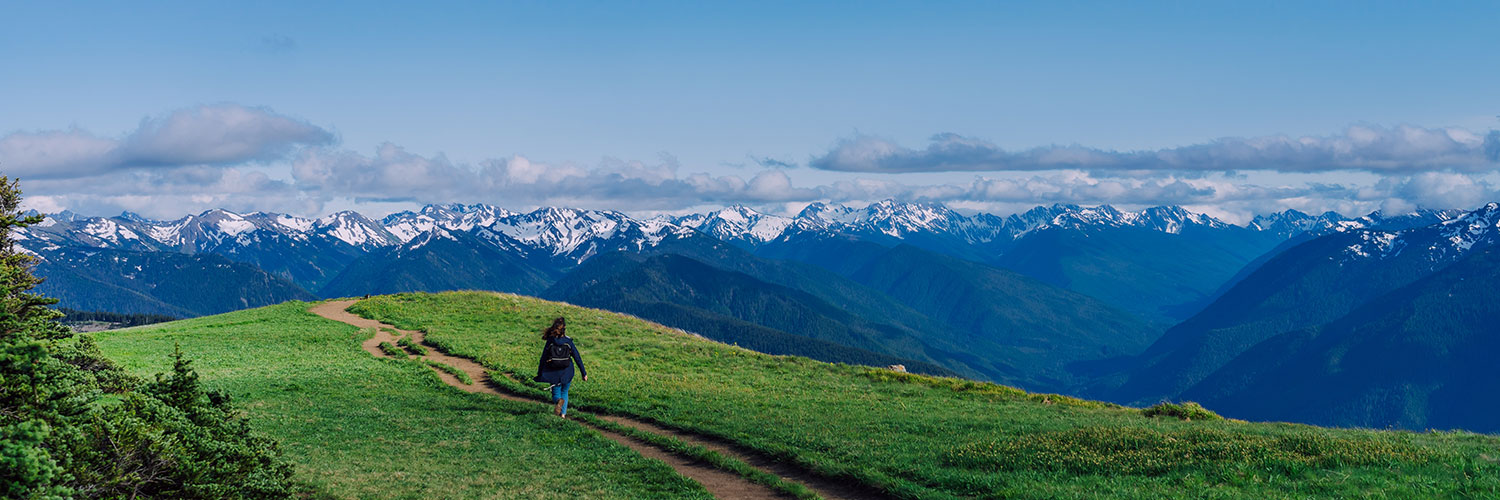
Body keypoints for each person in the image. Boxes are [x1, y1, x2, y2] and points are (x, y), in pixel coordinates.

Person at [534, 317, 586, 418]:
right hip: (567, 372)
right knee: (565, 392)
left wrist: (540, 373)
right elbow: (577, 357)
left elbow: (543, 358)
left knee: (556, 394)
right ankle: (563, 415)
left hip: (553, 373)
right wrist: (583, 373)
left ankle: (558, 401)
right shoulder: (568, 342)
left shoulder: (550, 341)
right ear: (564, 329)